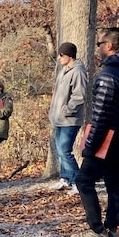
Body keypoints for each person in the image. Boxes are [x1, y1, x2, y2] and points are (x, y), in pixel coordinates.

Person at [70, 28, 119, 237]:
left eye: (100, 43)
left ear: (109, 46)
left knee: (83, 180)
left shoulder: (108, 75)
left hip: (107, 141)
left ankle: (96, 230)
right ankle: (112, 228)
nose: (97, 47)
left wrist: (90, 145)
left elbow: (101, 117)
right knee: (114, 182)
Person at [48, 42, 88, 195]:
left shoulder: (78, 71)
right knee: (60, 150)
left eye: (61, 55)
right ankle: (66, 179)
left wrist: (66, 110)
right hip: (58, 118)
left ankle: (79, 182)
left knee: (65, 151)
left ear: (69, 55)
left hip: (70, 119)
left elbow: (79, 95)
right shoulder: (64, 70)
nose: (58, 58)